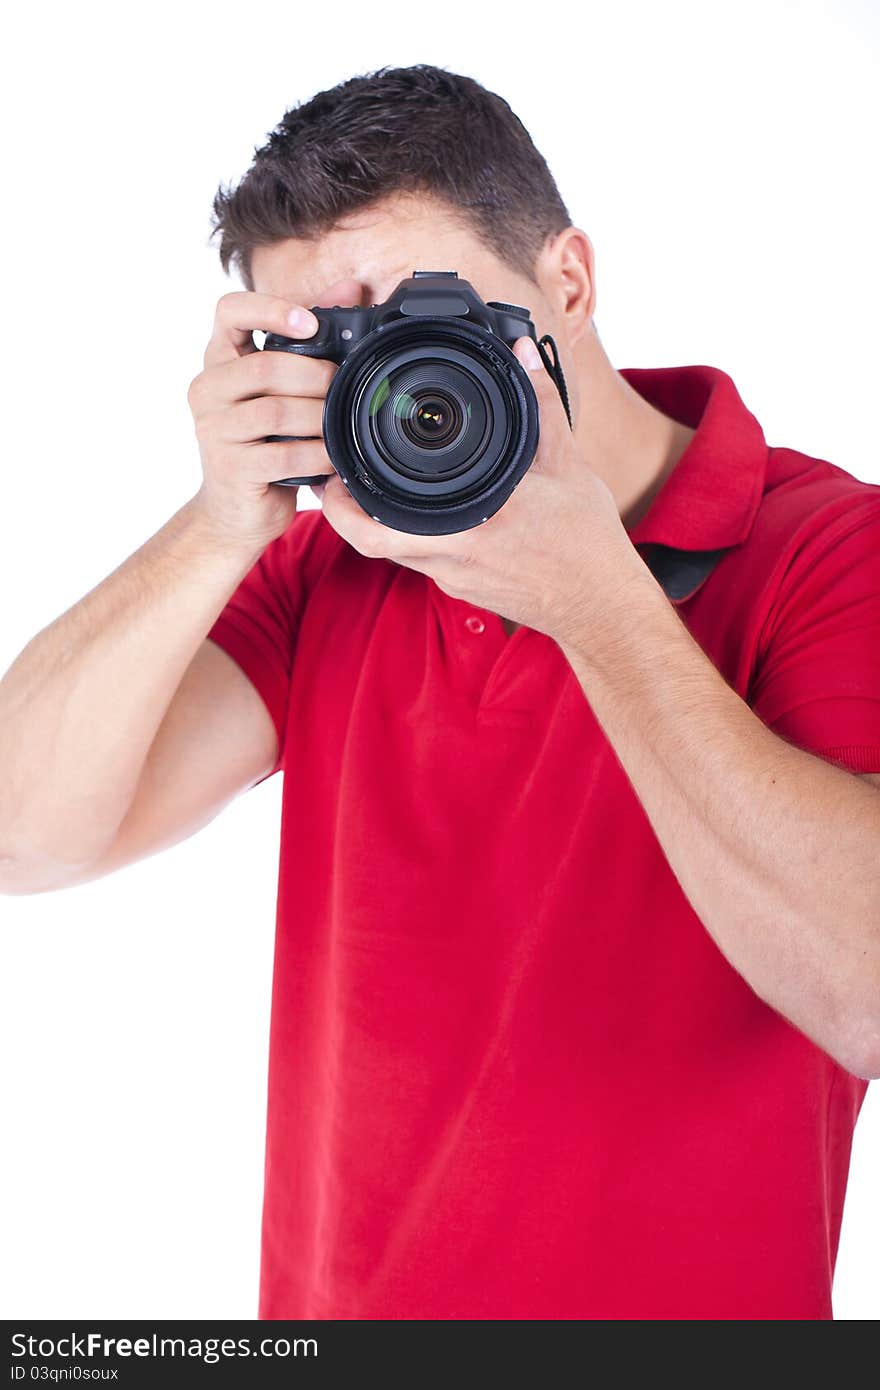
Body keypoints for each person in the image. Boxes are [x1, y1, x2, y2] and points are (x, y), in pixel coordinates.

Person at [1, 64, 879, 1322]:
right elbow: (20, 836)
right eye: (328, 348)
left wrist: (591, 596)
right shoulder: (327, 567)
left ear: (566, 285)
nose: (393, 383)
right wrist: (215, 525)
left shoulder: (828, 548)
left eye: (417, 314)